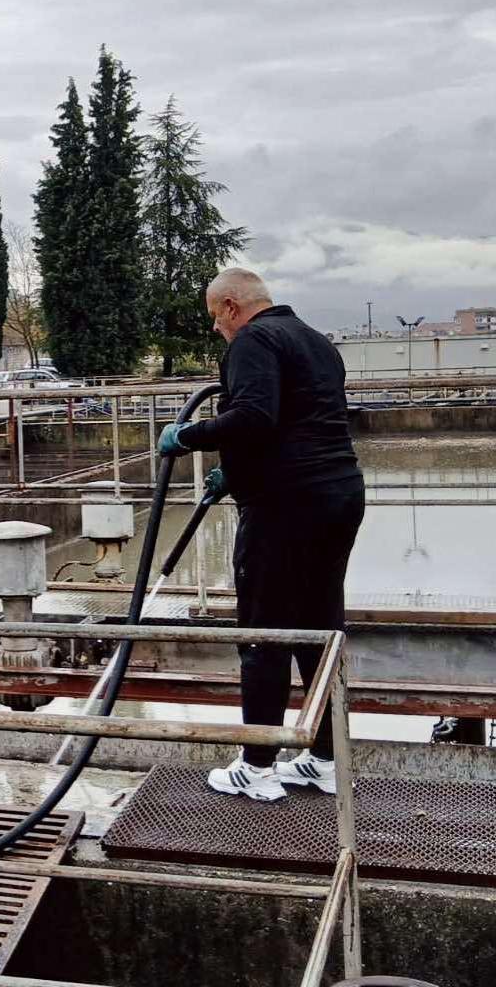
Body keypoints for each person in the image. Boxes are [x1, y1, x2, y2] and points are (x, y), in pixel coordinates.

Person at [158, 268, 364, 802]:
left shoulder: (253, 340)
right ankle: (324, 759)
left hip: (285, 506)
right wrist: (238, 474)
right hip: (338, 495)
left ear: (231, 306)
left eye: (215, 317)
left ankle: (257, 766)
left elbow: (253, 416)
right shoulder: (315, 341)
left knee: (263, 632)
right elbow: (299, 422)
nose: (216, 329)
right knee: (318, 627)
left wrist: (187, 436)